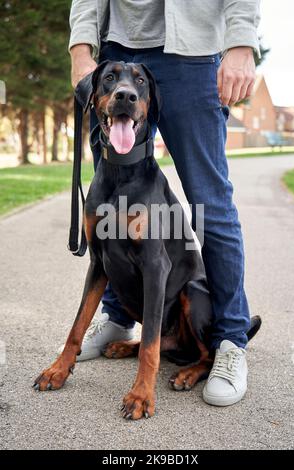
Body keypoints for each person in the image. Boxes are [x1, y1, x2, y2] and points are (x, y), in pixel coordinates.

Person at [66, 0, 260, 406]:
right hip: (116, 43)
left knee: (211, 206)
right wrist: (81, 48)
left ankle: (228, 342)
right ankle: (119, 320)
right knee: (110, 225)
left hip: (189, 51)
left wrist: (241, 42)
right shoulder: (111, 82)